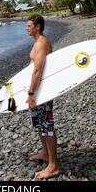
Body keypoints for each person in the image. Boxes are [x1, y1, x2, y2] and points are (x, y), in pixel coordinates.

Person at [26, 15, 60, 180]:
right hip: (38, 91)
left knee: (47, 126)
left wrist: (31, 94)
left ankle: (53, 166)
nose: (27, 28)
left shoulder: (41, 43)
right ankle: (46, 154)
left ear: (38, 27)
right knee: (40, 124)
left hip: (43, 91)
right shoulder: (36, 42)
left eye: (29, 25)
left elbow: (38, 70)